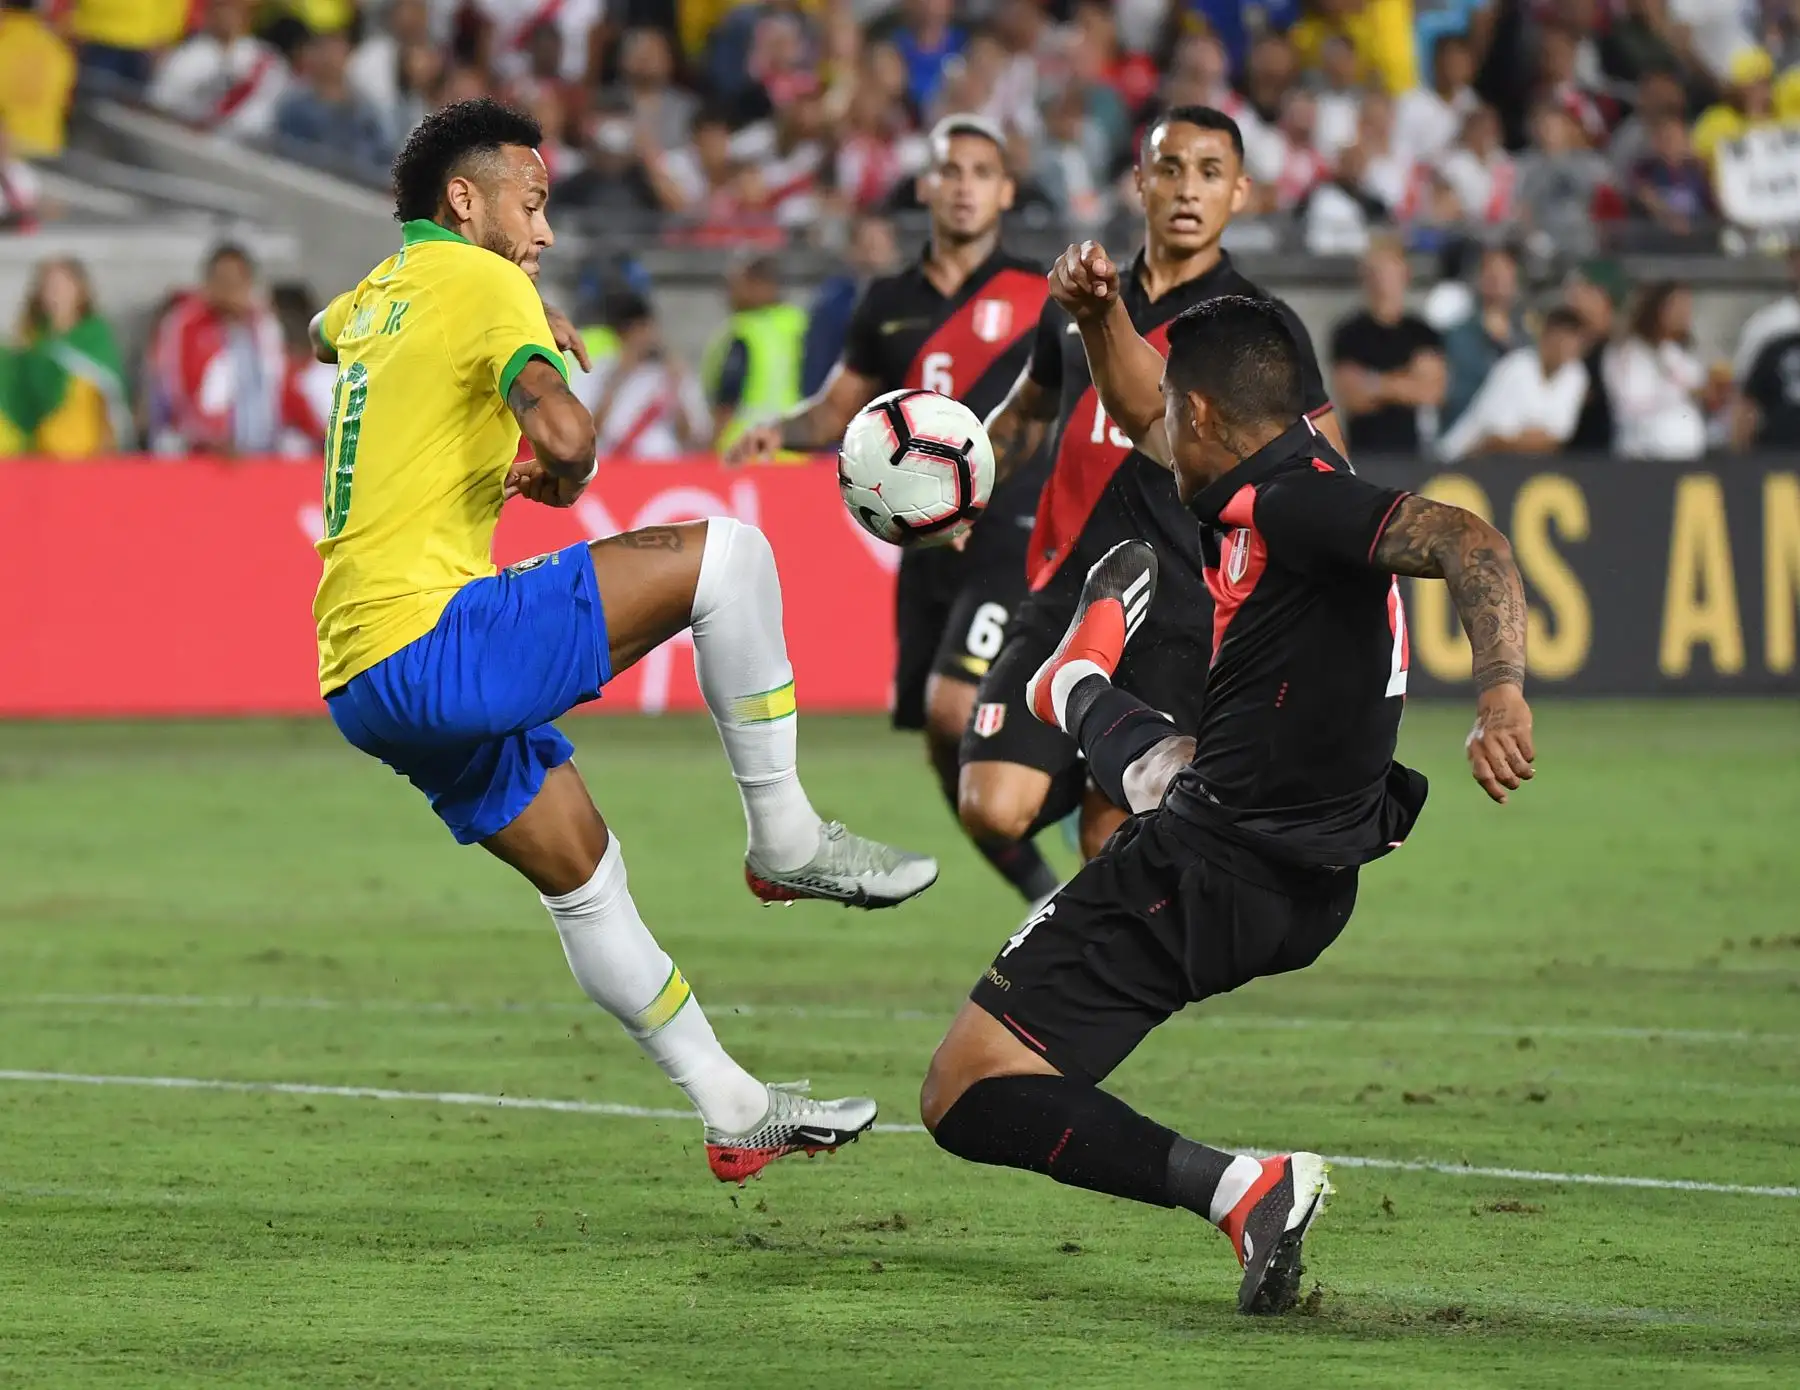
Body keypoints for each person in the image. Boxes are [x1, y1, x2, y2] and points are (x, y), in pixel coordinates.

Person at [308, 99, 936, 1184]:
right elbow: (567, 433)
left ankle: (736, 1107)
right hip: (431, 638)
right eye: (532, 203)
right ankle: (783, 836)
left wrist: (510, 313)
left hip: (357, 676)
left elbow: (327, 331)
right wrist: (558, 446)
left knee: (585, 874)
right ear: (465, 201)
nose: (544, 233)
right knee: (731, 558)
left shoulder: (374, 295)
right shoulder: (479, 280)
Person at [920, 277, 1535, 1317]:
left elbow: (1467, 537)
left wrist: (1502, 691)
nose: (1153, 434)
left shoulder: (1297, 503)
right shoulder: (1277, 467)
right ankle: (1076, 683)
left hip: (1220, 871)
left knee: (966, 1087)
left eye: (1166, 416)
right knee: (1175, 770)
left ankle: (1241, 1188)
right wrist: (1098, 316)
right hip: (1308, 867)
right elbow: (1148, 410)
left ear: (1201, 415)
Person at [959, 106, 1346, 880]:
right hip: (1066, 592)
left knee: (1117, 843)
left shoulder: (1258, 328)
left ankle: (1071, 939)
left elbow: (1328, 473)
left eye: (1210, 173)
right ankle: (1061, 872)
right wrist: (962, 480)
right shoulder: (1076, 296)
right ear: (1140, 181)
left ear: (1241, 193)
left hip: (1182, 612)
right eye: (1170, 169)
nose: (1187, 189)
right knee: (990, 803)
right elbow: (1027, 412)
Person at [727, 115, 1060, 909]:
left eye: (984, 170)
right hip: (923, 544)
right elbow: (841, 408)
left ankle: (1056, 868)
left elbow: (1051, 408)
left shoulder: (1037, 294)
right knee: (939, 738)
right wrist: (785, 430)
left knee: (955, 705)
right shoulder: (887, 301)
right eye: (952, 170)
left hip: (1010, 525)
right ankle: (1042, 887)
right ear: (927, 186)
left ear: (1006, 190)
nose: (966, 184)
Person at [147, 242, 285, 455]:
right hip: (197, 449)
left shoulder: (264, 325)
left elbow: (276, 385)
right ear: (208, 283)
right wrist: (208, 435)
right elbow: (173, 389)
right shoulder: (184, 324)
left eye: (237, 281)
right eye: (223, 280)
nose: (230, 289)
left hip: (259, 451)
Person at [1329, 238, 1447, 454]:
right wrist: (1406, 381)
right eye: (1376, 271)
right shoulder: (1349, 334)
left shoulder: (1422, 332)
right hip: (1364, 454)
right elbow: (1352, 398)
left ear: (1405, 274)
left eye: (1389, 271)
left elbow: (1431, 392)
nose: (1382, 280)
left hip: (1414, 454)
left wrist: (1374, 383)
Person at [2, 255, 127, 457]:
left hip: (83, 453)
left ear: (80, 289)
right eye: (48, 287)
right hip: (38, 455)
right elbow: (18, 399)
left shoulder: (95, 337)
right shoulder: (30, 340)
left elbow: (109, 398)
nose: (55, 294)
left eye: (62, 286)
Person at [1436, 306, 1590, 461]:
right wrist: (1534, 438)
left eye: (1574, 342)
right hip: (1460, 457)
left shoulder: (1577, 375)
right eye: (1562, 340)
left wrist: (1527, 439)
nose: (1566, 347)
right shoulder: (1515, 368)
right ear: (1546, 336)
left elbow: (1557, 438)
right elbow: (1494, 440)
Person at [574, 293, 710, 460]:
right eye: (635, 331)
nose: (644, 338)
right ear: (621, 335)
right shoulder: (598, 371)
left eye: (647, 329)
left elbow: (694, 439)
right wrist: (617, 378)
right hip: (614, 466)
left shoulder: (674, 373)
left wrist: (675, 388)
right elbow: (586, 434)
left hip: (662, 465)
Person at [701, 255, 808, 451]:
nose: (730, 293)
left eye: (737, 284)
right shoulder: (802, 325)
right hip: (796, 455)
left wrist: (709, 451)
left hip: (746, 453)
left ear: (761, 284)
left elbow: (727, 401)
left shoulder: (745, 332)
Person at [1603, 281, 1707, 461]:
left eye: (1687, 306)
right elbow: (1630, 403)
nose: (1683, 314)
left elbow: (1701, 389)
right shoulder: (1627, 353)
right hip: (1641, 459)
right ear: (1657, 308)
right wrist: (1680, 392)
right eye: (1676, 306)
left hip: (1688, 461)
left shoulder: (1677, 354)